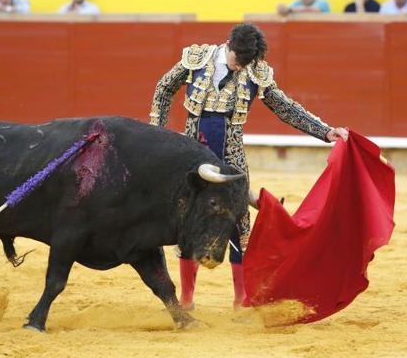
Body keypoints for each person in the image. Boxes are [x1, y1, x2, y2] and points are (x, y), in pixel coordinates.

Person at [149, 23, 348, 310]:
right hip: (192, 153)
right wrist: (158, 132)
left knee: (240, 226)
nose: (239, 67)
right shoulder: (198, 58)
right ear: (227, 44)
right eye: (236, 60)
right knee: (188, 222)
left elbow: (284, 106)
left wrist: (325, 131)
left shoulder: (255, 70)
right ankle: (187, 299)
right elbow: (164, 87)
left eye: (245, 63)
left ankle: (240, 300)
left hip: (232, 158)